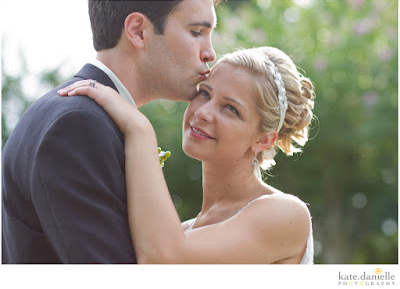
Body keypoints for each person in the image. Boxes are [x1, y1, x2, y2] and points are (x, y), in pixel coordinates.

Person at [2, 0, 216, 264]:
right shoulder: (76, 126)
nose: (210, 53)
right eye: (197, 32)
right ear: (138, 31)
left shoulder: (80, 116)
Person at [59, 46, 316, 264]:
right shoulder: (183, 231)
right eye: (205, 93)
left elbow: (164, 260)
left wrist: (140, 130)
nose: (203, 112)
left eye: (230, 108)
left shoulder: (286, 214)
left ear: (264, 139)